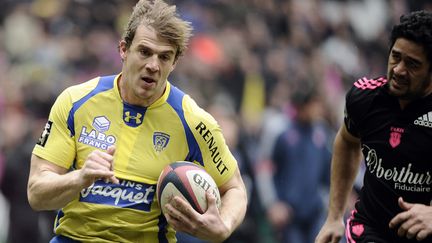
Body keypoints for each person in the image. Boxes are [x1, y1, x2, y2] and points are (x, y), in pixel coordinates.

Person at [26, 1, 248, 242]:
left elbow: (235, 188)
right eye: (144, 52)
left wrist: (223, 225)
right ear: (124, 49)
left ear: (174, 63)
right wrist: (79, 178)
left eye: (164, 57)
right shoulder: (75, 102)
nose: (153, 65)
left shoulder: (194, 122)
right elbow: (37, 193)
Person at [315, 10, 432, 243]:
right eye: (395, 57)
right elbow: (347, 142)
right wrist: (334, 216)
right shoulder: (364, 98)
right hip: (370, 229)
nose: (399, 69)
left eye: (412, 64)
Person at [265, 87, 332, 243]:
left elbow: (328, 174)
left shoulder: (321, 136)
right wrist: (272, 203)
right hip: (289, 214)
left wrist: (328, 199)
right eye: (314, 104)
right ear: (302, 106)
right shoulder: (283, 134)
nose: (318, 109)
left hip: (315, 212)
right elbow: (266, 170)